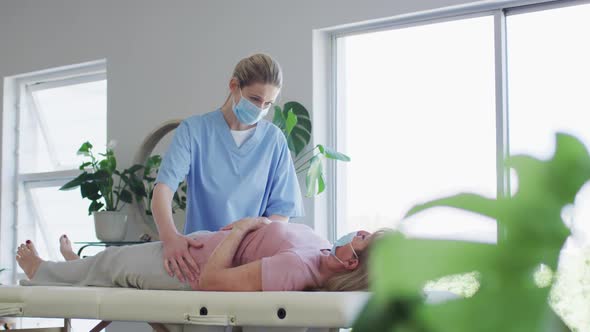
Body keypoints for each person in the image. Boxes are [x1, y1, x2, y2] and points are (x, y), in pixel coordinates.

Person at [152, 53, 304, 284]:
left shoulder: (273, 140)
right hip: (199, 256)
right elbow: (163, 189)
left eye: (268, 104)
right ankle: (74, 261)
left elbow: (281, 214)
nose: (261, 109)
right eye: (254, 99)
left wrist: (253, 249)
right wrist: (170, 238)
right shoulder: (194, 131)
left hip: (250, 258)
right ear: (234, 86)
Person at [16, 218, 384, 291]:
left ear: (351, 261)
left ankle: (42, 272)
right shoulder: (318, 250)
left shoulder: (297, 270)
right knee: (105, 265)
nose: (359, 230)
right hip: (197, 246)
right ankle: (73, 267)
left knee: (110, 263)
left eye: (364, 237)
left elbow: (211, 282)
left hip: (187, 267)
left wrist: (240, 230)